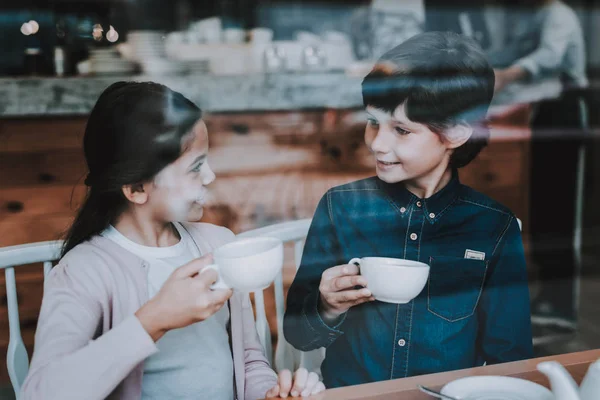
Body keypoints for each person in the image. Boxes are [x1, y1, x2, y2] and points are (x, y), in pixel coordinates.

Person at [20, 81, 325, 400]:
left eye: (206, 160)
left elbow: (248, 363)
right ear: (136, 188)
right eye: (195, 168)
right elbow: (40, 393)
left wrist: (271, 393)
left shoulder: (218, 245)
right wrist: (153, 320)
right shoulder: (84, 271)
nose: (210, 176)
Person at [283, 31, 533, 389]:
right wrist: (326, 306)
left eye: (401, 129)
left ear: (457, 134)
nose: (377, 143)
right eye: (373, 122)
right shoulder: (342, 207)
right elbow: (298, 335)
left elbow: (511, 358)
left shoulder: (493, 227)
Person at [491, 0, 588, 333]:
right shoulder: (532, 17)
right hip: (539, 114)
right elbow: (506, 53)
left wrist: (507, 75)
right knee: (544, 207)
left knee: (559, 208)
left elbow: (549, 55)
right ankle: (548, 298)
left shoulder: (558, 13)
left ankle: (561, 305)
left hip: (564, 111)